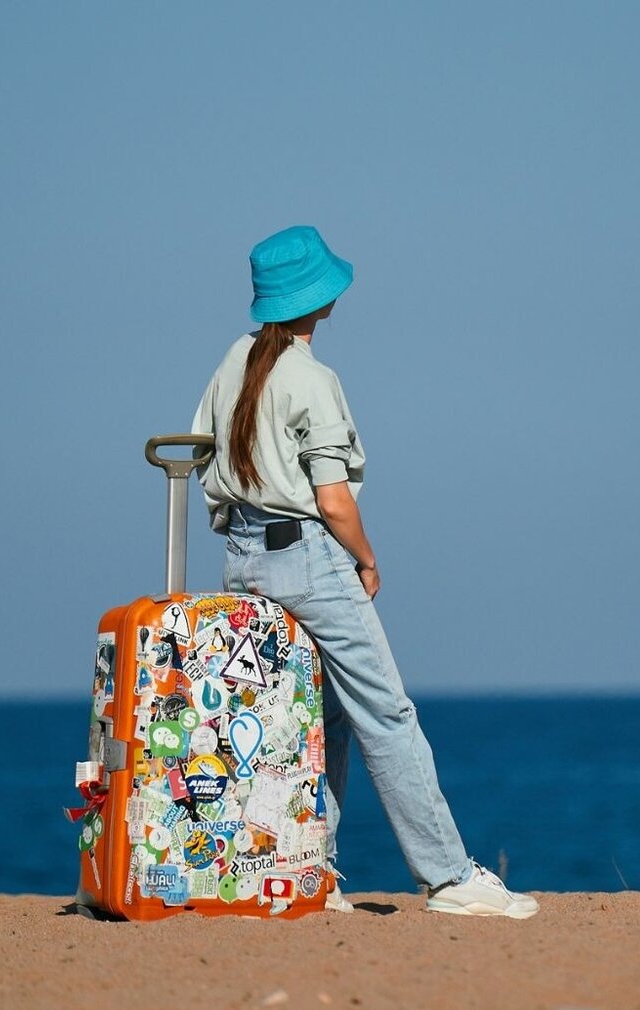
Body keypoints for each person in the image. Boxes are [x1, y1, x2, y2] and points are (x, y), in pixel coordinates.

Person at [191, 225, 537, 919]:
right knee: (386, 709)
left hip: (243, 558)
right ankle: (446, 876)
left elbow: (204, 455)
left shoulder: (234, 359)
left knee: (317, 717)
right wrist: (366, 557)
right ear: (321, 298)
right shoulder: (312, 379)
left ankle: (308, 868)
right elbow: (333, 499)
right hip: (308, 558)